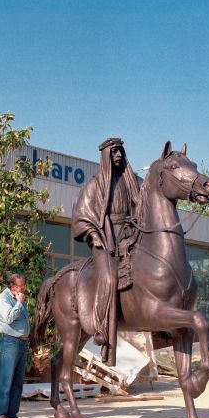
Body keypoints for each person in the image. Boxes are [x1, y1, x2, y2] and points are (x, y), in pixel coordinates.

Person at [71, 138, 141, 365]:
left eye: (121, 150)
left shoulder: (133, 184)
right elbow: (81, 216)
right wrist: (93, 234)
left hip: (130, 235)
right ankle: (102, 329)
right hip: (104, 237)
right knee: (109, 278)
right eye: (114, 152)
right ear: (106, 157)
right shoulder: (94, 185)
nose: (118, 155)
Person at [0, 273, 30, 418]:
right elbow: (8, 317)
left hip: (21, 343)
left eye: (23, 285)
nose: (24, 288)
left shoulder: (16, 298)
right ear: (13, 287)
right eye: (21, 285)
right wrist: (20, 303)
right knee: (5, 380)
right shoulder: (3, 299)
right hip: (10, 342)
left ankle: (11, 413)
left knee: (17, 382)